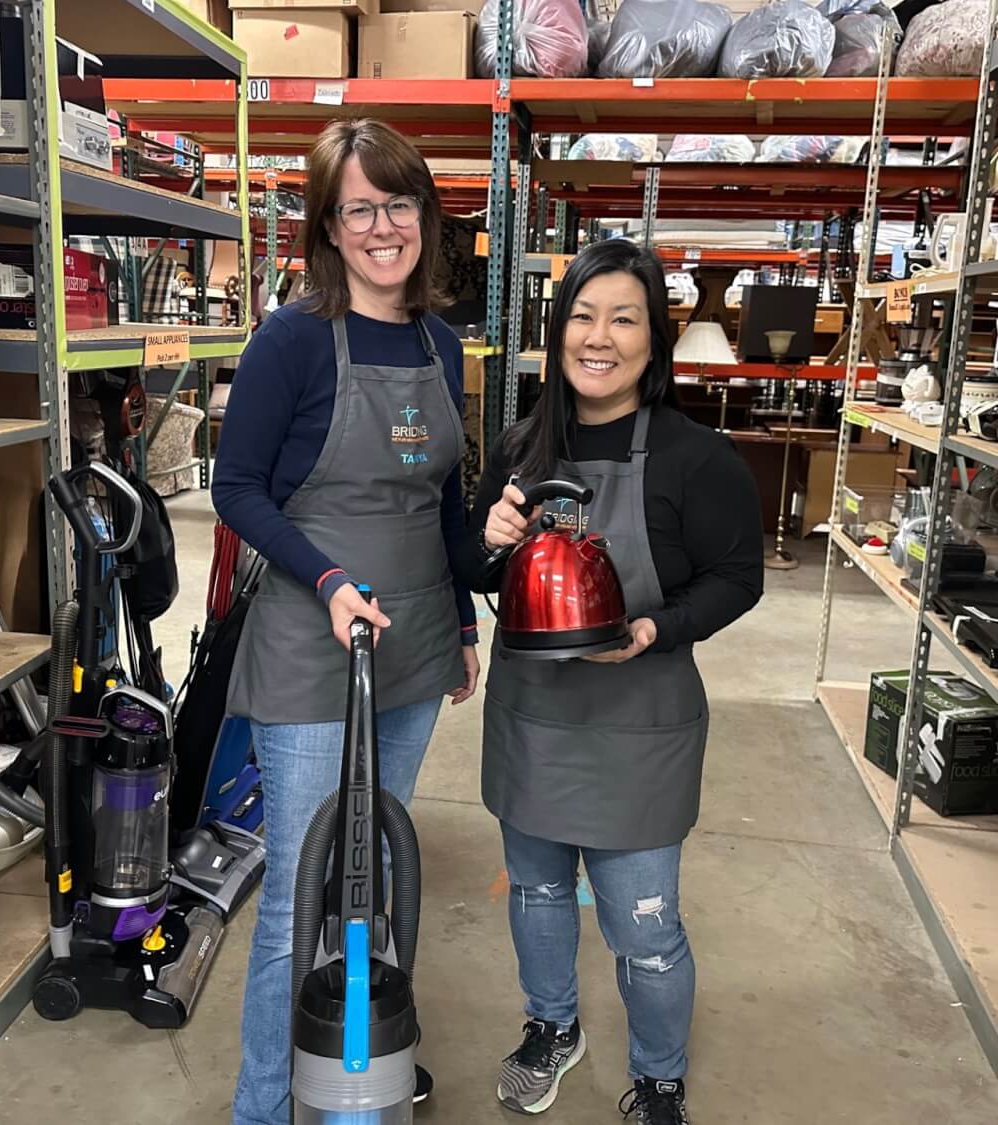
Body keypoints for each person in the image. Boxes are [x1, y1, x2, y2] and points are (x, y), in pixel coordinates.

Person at [458, 238, 765, 1124]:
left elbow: (736, 577)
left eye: (624, 318)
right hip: (534, 718)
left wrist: (653, 628)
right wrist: (492, 537)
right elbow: (480, 571)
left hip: (641, 726)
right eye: (583, 317)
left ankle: (659, 1073)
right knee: (540, 895)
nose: (601, 337)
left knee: (643, 925)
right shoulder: (521, 444)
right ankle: (553, 1026)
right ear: (557, 335)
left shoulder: (694, 457)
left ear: (653, 339)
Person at [212, 118, 480, 1125]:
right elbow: (238, 490)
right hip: (310, 641)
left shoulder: (439, 342)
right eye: (357, 207)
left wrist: (456, 622)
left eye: (397, 203)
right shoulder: (288, 340)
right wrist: (326, 581)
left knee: (371, 887)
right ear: (327, 226)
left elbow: (446, 504)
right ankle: (263, 1106)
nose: (381, 226)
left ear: (424, 215)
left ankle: (350, 1086)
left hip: (409, 646)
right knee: (299, 892)